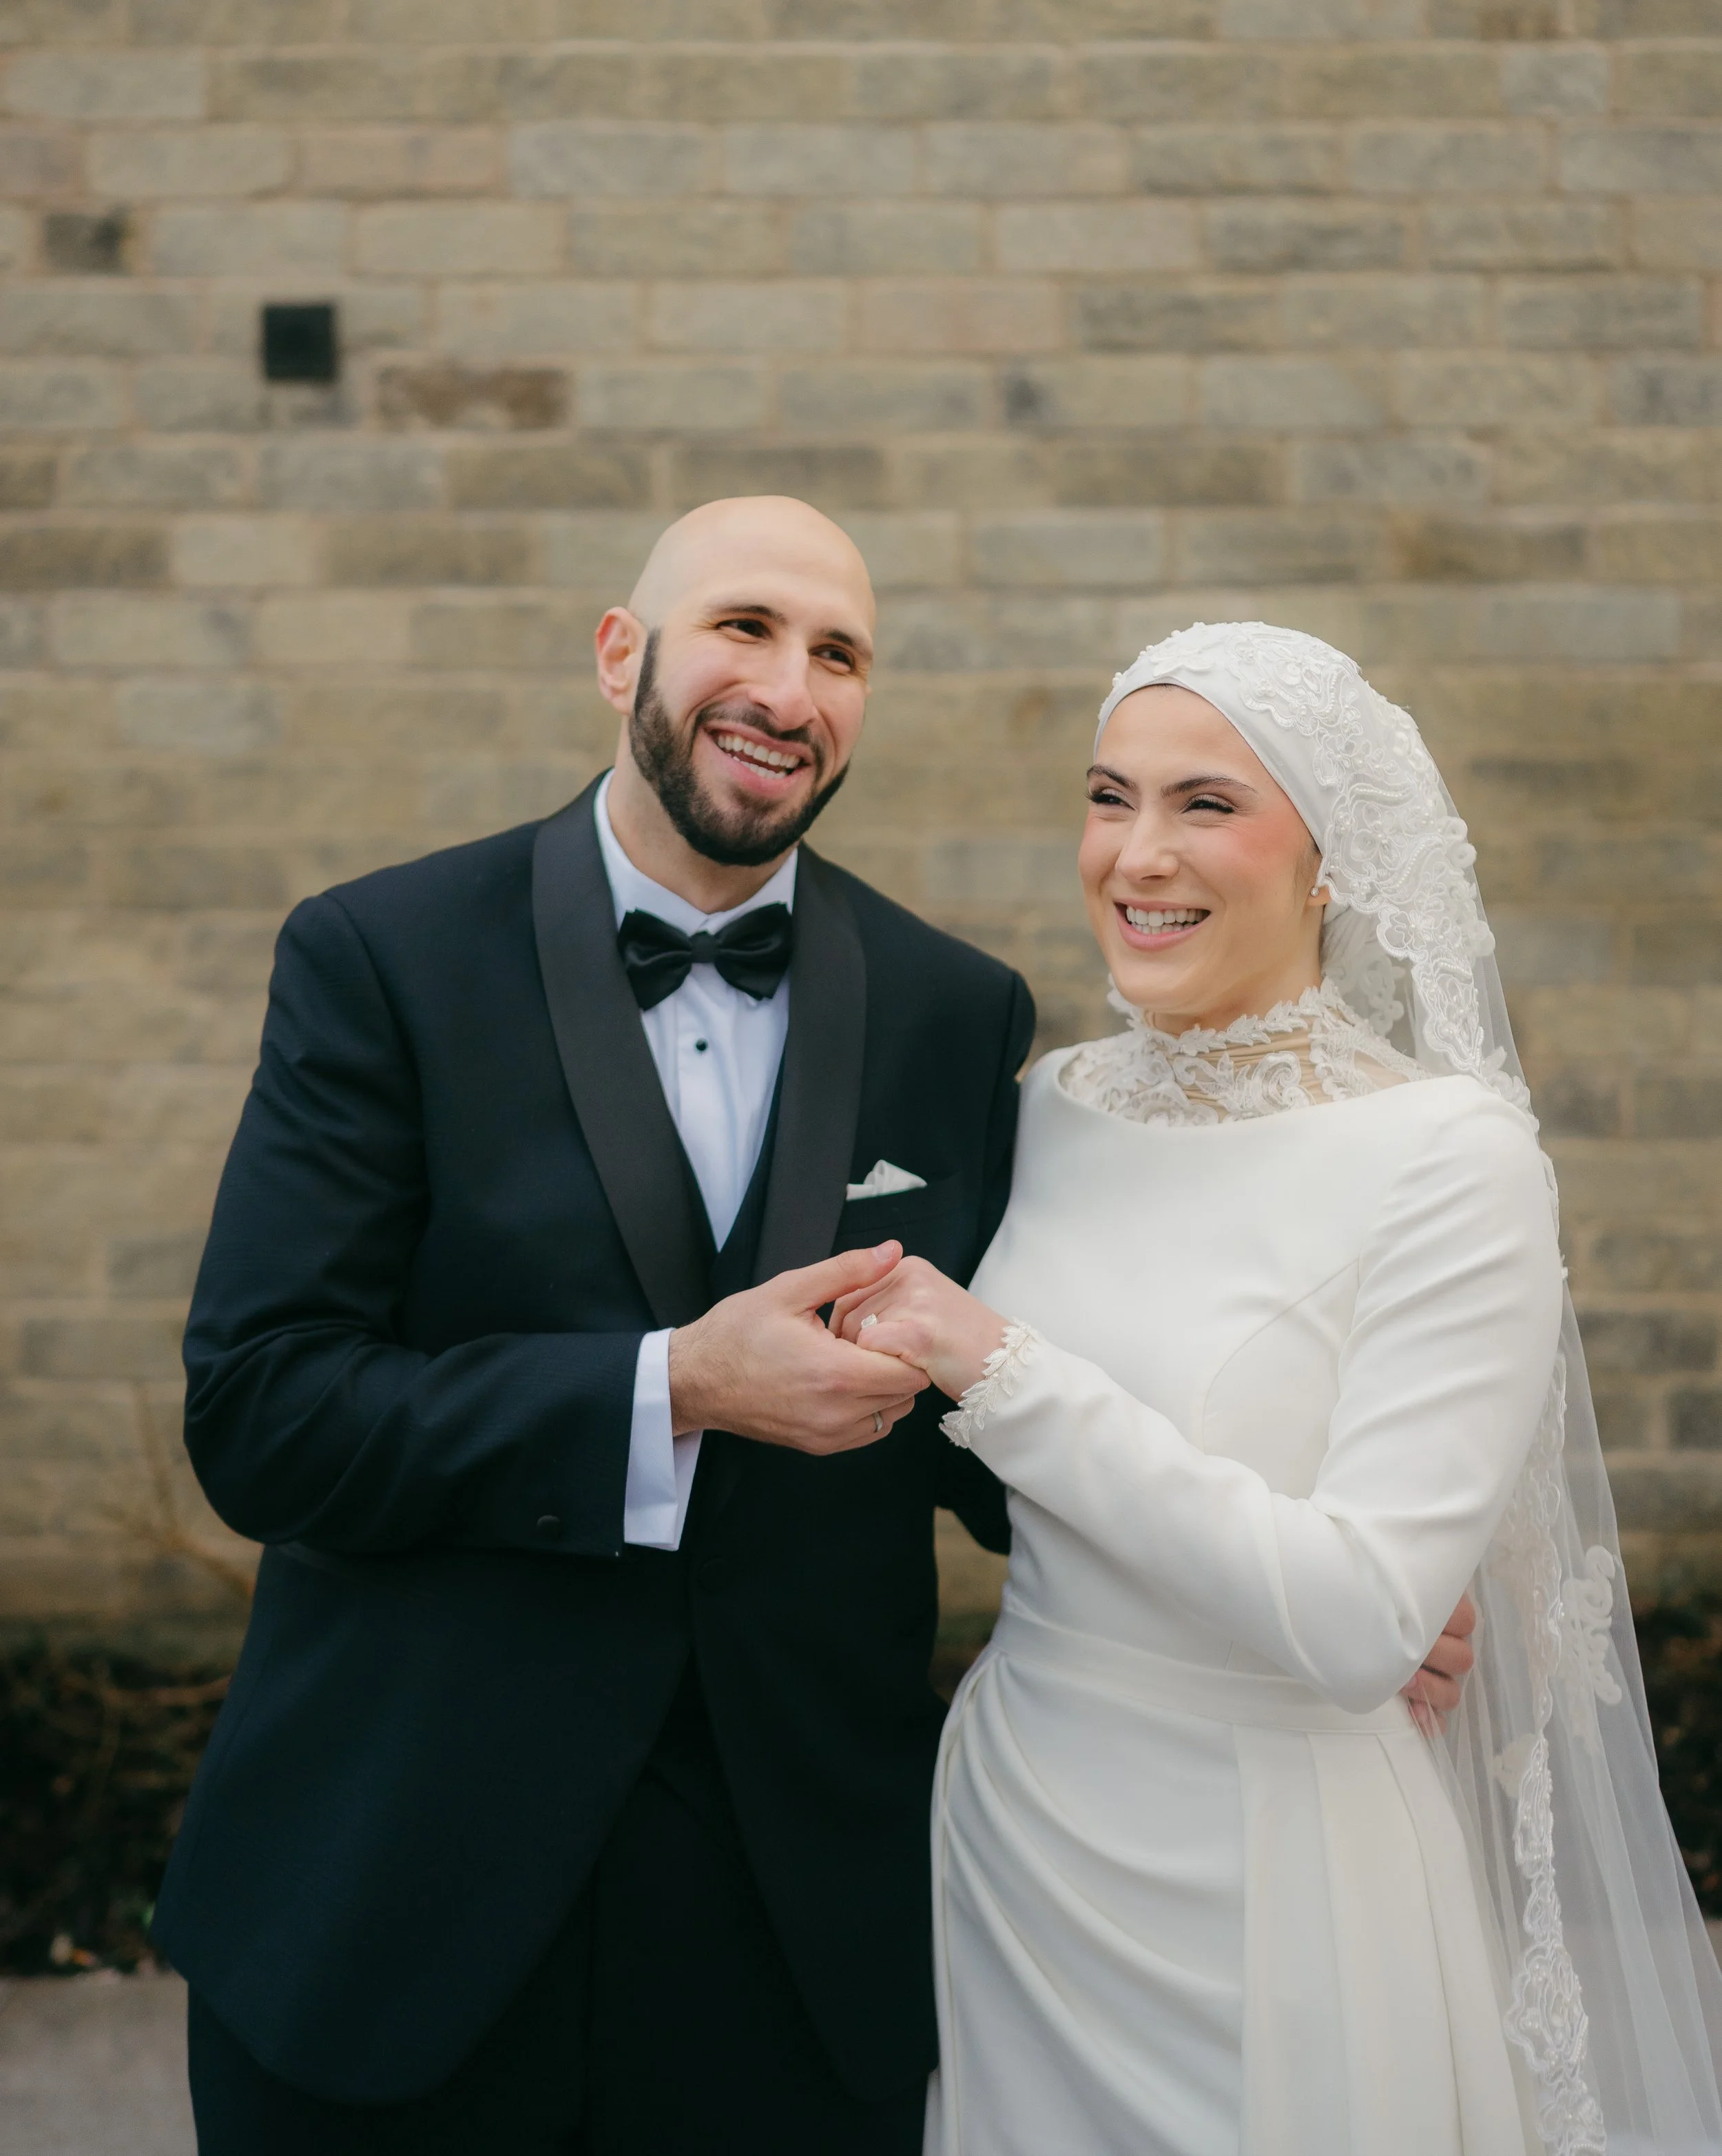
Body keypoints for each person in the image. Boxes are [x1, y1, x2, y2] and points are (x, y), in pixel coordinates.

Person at [153, 517, 1475, 2155]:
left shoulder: (954, 1010)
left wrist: (1298, 1567)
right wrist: (672, 1387)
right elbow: (265, 1410)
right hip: (399, 1894)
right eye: (742, 627)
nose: (787, 688)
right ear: (619, 651)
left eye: (837, 652)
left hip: (790, 1933)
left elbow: (971, 1415)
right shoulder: (382, 957)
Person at [835, 621, 1722, 2154]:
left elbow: (1359, 1618)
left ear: (1329, 862)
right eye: (1108, 797)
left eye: (1205, 804)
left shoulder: (1446, 1158)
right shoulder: (1051, 1103)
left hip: (1272, 1866)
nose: (1135, 855)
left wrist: (1001, 1365)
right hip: (1021, 1832)